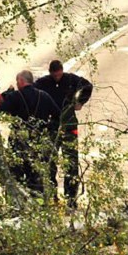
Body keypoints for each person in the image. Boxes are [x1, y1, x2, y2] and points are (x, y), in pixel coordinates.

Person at [35, 60, 94, 207]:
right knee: (49, 164)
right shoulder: (44, 83)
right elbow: (32, 91)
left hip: (68, 126)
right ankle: (51, 197)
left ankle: (71, 198)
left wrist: (80, 101)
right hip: (51, 127)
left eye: (59, 74)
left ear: (62, 71)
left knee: (71, 164)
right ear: (50, 73)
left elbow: (87, 86)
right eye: (54, 75)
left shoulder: (71, 79)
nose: (57, 77)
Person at [0, 70, 61, 197]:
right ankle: (38, 206)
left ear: (21, 81)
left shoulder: (16, 96)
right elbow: (58, 115)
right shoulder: (44, 96)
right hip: (38, 141)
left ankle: (17, 206)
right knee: (36, 176)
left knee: (16, 176)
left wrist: (7, 93)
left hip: (18, 142)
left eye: (17, 82)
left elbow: (0, 109)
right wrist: (48, 129)